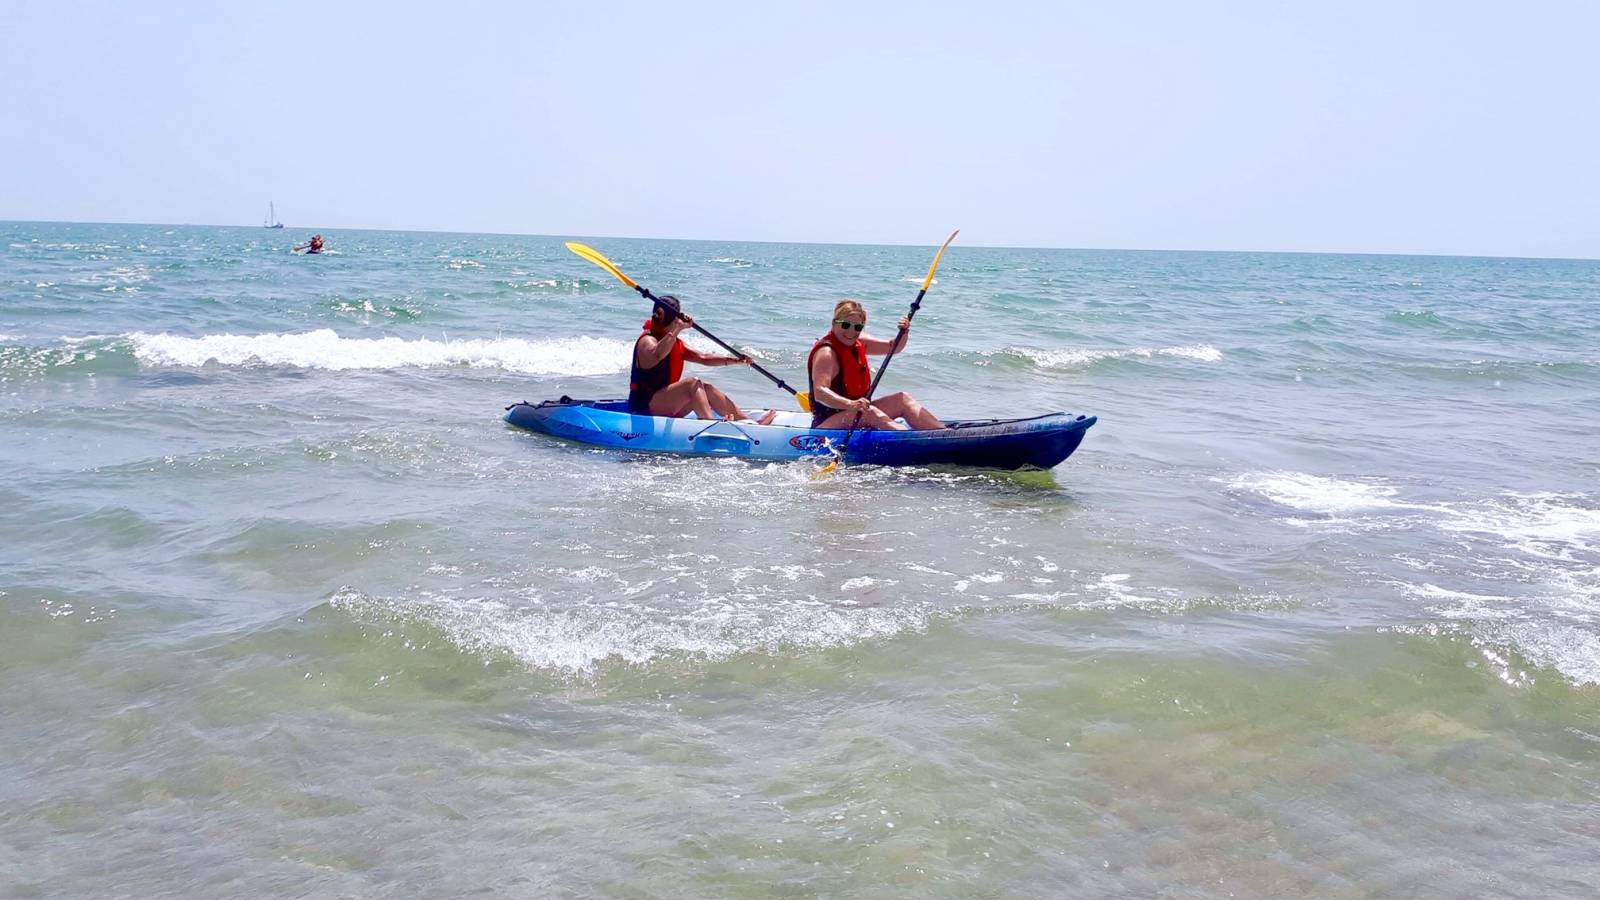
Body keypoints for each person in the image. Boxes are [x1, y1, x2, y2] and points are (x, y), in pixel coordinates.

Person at [629, 295, 777, 424]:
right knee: (692, 384)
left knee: (706, 388)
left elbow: (703, 357)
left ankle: (747, 423)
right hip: (644, 407)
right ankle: (710, 426)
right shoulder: (647, 340)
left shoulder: (673, 342)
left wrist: (736, 360)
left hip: (666, 403)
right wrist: (677, 328)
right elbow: (657, 355)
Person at [807, 299, 944, 430]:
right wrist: (851, 404)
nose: (851, 332)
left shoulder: (859, 342)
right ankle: (906, 437)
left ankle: (942, 432)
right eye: (845, 325)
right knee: (868, 412)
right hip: (827, 423)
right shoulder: (827, 353)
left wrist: (904, 331)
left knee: (902, 399)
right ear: (834, 323)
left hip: (857, 412)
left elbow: (893, 347)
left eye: (857, 327)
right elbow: (820, 393)